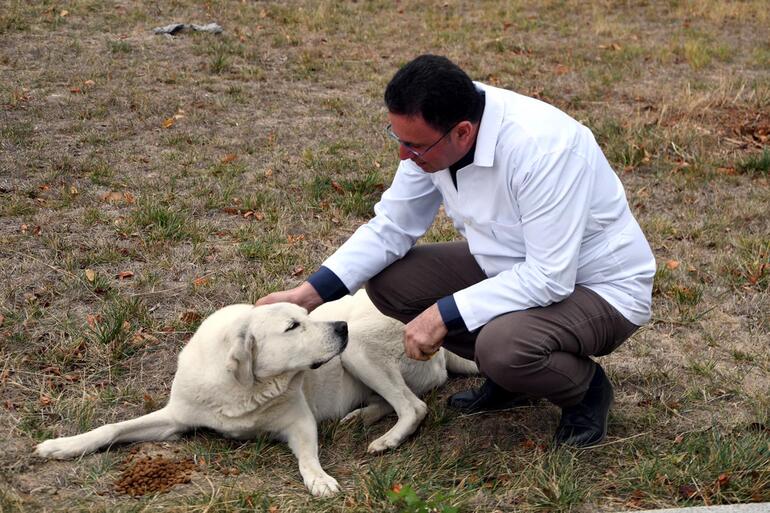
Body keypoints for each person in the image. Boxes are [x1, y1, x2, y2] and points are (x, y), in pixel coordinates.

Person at [257, 54, 655, 448]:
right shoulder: (438, 131)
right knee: (392, 284)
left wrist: (443, 313)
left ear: (463, 133)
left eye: (414, 146)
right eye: (398, 140)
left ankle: (584, 390)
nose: (403, 156)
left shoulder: (544, 149)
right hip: (510, 269)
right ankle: (512, 379)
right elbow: (392, 226)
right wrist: (306, 296)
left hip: (599, 287)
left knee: (503, 348)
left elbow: (550, 276)